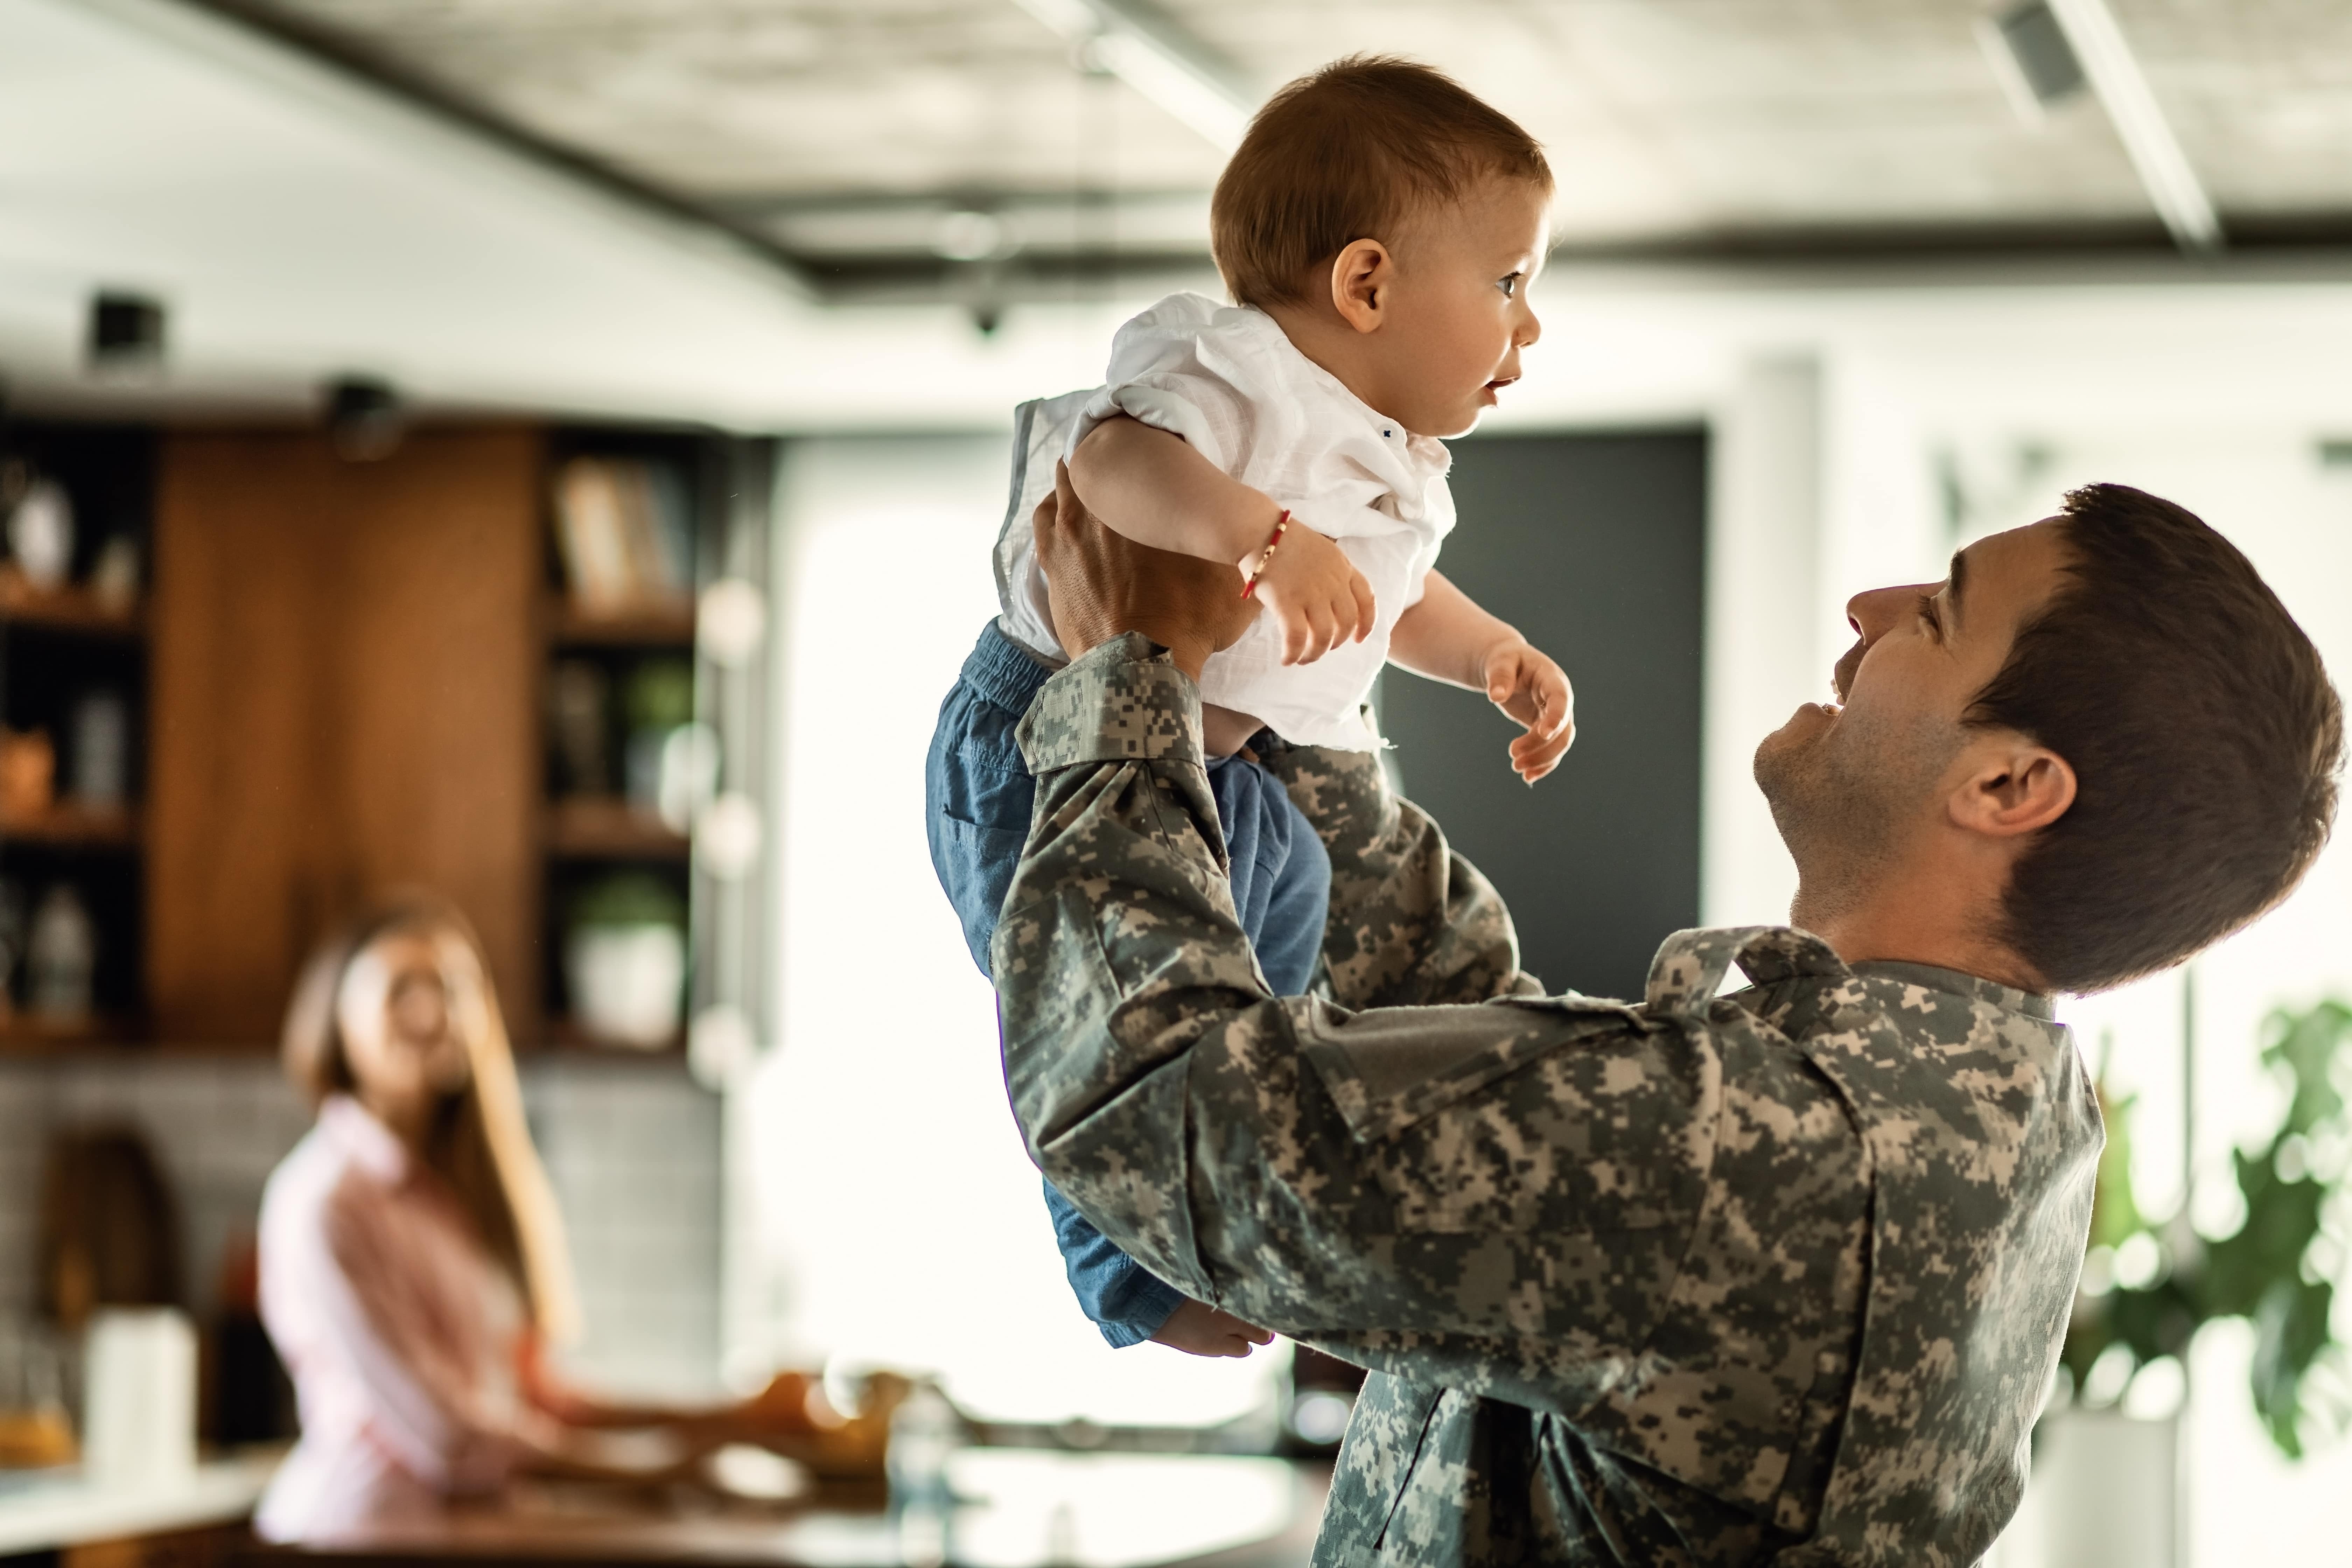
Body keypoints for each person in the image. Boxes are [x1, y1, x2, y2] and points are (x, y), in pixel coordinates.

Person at [994, 469, 2340, 1564]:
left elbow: (1157, 1111)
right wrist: (1297, 706)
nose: (1874, 604)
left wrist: (1129, 681)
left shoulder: (1788, 1151)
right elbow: (1483, 1085)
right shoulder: (1986, 1110)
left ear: (2009, 787)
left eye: (1939, 614)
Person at [928, 55, 1573, 1359]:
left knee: (1264, 962)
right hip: (1045, 743)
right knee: (1103, 1015)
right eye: (1511, 284)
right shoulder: (1237, 373)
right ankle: (1120, 1263)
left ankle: (1210, 1212)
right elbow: (1111, 460)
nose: (1531, 324)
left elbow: (1396, 603)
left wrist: (1495, 651)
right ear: (1367, 283)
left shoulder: (1379, 464)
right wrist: (1262, 538)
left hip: (1221, 790)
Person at [254, 896, 827, 1543]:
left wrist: (730, 1418)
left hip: (470, 1536)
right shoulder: (324, 1202)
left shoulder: (445, 1197)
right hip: (363, 1541)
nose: (429, 1010)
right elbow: (450, 1438)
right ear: (338, 1018)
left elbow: (537, 1400)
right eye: (400, 988)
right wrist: (661, 1473)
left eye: (448, 988)